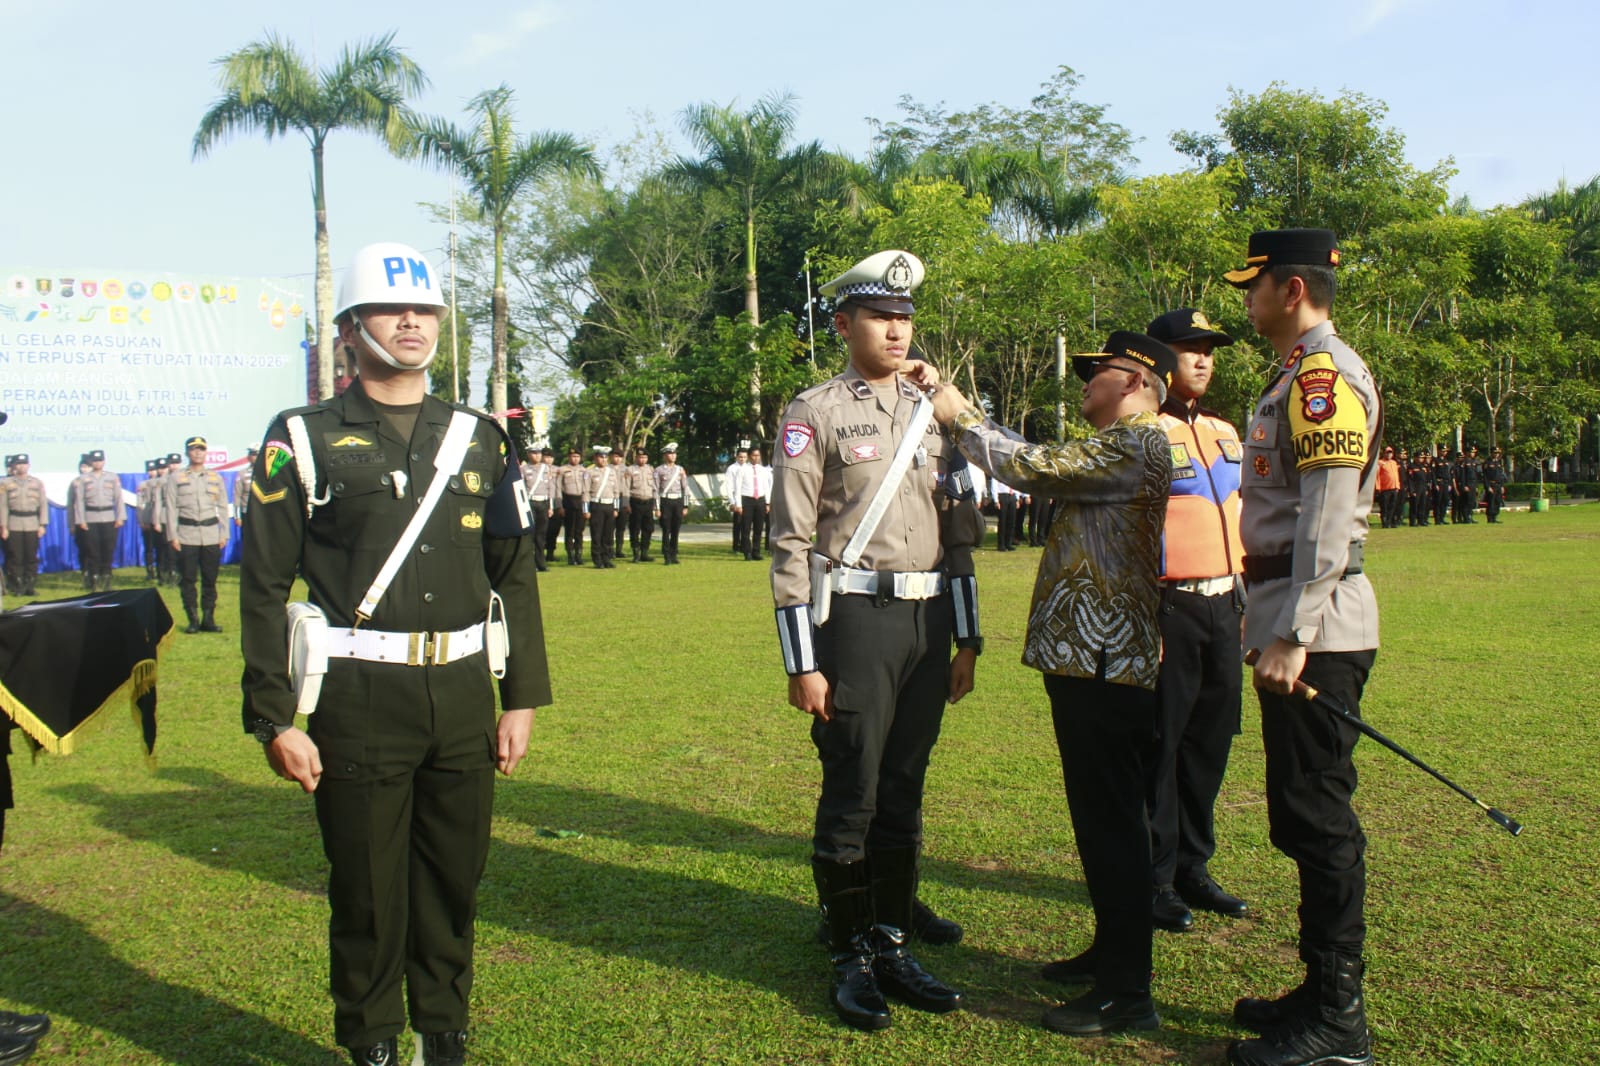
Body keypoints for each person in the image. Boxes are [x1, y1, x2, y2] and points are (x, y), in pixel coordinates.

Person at [239, 241, 552, 1066]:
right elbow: (264, 588)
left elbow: (513, 572)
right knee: (370, 894)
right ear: (349, 329)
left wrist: (519, 697)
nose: (411, 322)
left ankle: (441, 1034)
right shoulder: (300, 438)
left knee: (453, 882)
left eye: (424, 310)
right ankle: (373, 1043)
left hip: (459, 694)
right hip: (356, 697)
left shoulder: (480, 436)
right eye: (389, 308)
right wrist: (275, 718)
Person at [922, 329, 1174, 1039]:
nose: (1085, 385)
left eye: (1097, 375)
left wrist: (957, 410)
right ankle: (1112, 951)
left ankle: (1127, 990)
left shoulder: (1136, 441)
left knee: (1112, 821)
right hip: (1087, 657)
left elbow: (1031, 465)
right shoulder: (1130, 440)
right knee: (1100, 817)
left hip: (1104, 659)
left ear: (1131, 382)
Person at [770, 249, 983, 1032]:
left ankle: (892, 939)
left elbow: (961, 530)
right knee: (854, 787)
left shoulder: (938, 412)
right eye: (880, 317)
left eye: (905, 319)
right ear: (845, 324)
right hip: (854, 623)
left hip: (928, 623)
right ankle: (850, 951)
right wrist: (802, 661)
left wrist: (967, 637)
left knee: (905, 786)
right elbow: (792, 542)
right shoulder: (815, 411)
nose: (896, 331)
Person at [1225, 228, 1380, 1066]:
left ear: (1291, 290)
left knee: (1319, 817)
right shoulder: (1293, 375)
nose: (1244, 299)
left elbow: (1324, 512)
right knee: (1297, 810)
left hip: (1315, 627)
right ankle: (1318, 990)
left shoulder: (1322, 378)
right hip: (1291, 614)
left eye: (1254, 286)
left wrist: (1294, 630)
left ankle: (1339, 1020)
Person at [1142, 308, 1250, 936]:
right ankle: (1154, 876)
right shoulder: (1144, 431)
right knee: (1162, 745)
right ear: (1161, 358)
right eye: (1189, 349)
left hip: (1225, 604)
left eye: (1208, 349)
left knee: (1209, 743)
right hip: (1170, 607)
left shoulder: (1225, 430)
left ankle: (1193, 866)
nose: (1203, 359)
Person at [163, 436, 230, 633]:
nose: (198, 453)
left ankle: (208, 619)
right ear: (187, 453)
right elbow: (171, 509)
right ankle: (193, 620)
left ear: (206, 452)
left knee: (210, 579)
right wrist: (172, 535)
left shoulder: (215, 478)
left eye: (201, 449)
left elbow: (223, 507)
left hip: (210, 535)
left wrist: (224, 533)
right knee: (188, 579)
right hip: (187, 535)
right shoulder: (176, 478)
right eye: (193, 449)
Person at [74, 449, 123, 591]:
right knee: (92, 550)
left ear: (104, 461)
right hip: (91, 518)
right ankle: (94, 579)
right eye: (95, 461)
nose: (98, 463)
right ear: (91, 462)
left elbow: (118, 499)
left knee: (108, 549)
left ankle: (107, 579)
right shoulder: (84, 479)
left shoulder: (112, 477)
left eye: (100, 460)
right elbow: (80, 501)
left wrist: (120, 517)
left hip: (109, 516)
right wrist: (81, 520)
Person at [1, 453, 49, 597]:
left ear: (28, 465)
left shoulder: (37, 482)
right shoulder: (5, 483)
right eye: (19, 464)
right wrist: (3, 526)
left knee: (31, 556)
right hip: (14, 522)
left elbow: (43, 505)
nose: (22, 466)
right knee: (15, 557)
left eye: (24, 464)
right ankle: (17, 586)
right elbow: (2, 506)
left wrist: (42, 524)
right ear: (14, 466)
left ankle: (30, 586)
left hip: (32, 523)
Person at [654, 443, 689, 564]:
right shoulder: (658, 470)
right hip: (665, 501)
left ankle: (674, 554)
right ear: (665, 455)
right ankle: (666, 555)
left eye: (674, 453)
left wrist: (685, 505)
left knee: (676, 529)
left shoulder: (680, 469)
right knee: (666, 529)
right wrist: (657, 508)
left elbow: (685, 488)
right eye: (670, 453)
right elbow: (656, 490)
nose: (673, 456)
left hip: (678, 501)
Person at [585, 445, 620, 569]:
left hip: (609, 505)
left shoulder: (612, 472)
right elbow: (586, 491)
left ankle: (607, 558)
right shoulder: (590, 472)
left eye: (605, 457)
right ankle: (597, 559)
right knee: (597, 533)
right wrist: (586, 509)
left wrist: (616, 508)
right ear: (595, 458)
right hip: (596, 505)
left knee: (608, 534)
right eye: (601, 457)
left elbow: (616, 491)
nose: (604, 460)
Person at [521, 447, 555, 572]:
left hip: (543, 503)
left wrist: (551, 506)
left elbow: (551, 488)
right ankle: (530, 563)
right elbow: (521, 488)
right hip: (530, 502)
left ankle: (541, 563)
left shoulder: (546, 469)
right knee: (530, 535)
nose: (537, 456)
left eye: (539, 453)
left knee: (541, 535)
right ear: (529, 454)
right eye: (534, 453)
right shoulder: (524, 469)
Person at [556, 447, 588, 565]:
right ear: (569, 457)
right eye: (573, 456)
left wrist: (586, 508)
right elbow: (558, 488)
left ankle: (578, 555)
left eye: (577, 457)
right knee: (569, 530)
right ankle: (570, 555)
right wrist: (560, 506)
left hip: (580, 500)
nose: (575, 459)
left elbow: (586, 490)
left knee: (579, 530)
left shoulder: (584, 471)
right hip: (567, 500)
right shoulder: (562, 470)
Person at [625, 447, 656, 562]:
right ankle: (636, 553)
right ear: (636, 457)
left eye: (644, 457)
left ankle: (645, 552)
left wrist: (655, 503)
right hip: (635, 502)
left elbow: (654, 488)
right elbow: (626, 488)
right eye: (640, 457)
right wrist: (626, 504)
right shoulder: (630, 470)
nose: (642, 459)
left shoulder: (651, 470)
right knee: (635, 528)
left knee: (648, 528)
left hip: (648, 502)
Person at [136, 458, 164, 581]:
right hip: (147, 517)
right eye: (150, 470)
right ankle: (149, 570)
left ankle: (161, 570)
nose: (152, 472)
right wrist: (141, 520)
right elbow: (139, 503)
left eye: (154, 470)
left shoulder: (162, 482)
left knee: (160, 546)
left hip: (160, 517)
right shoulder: (143, 485)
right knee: (149, 546)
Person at [726, 444, 750, 554]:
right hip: (736, 498)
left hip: (747, 498)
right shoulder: (732, 469)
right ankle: (736, 546)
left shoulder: (749, 468)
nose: (743, 459)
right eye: (741, 457)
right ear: (736, 457)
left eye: (745, 457)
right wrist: (732, 502)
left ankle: (745, 545)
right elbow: (729, 486)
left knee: (746, 524)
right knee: (738, 524)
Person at [234, 446, 259, 533]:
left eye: (256, 454)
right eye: (251, 454)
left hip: (264, 513)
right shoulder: (242, 473)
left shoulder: (270, 473)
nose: (253, 457)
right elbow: (237, 496)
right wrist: (237, 516)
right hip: (247, 513)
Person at [991, 475, 1019, 551]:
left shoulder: (1011, 472)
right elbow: (994, 485)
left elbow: (1016, 484)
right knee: (1003, 521)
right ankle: (1001, 544)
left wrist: (1017, 498)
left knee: (1011, 521)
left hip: (1012, 495)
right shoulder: (998, 472)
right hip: (1002, 495)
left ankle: (1008, 543)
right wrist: (996, 500)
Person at [1375, 447, 1401, 528]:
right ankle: (1385, 522)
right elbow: (1377, 476)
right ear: (1384, 453)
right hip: (1385, 489)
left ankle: (1390, 522)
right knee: (1384, 507)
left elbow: (1396, 475)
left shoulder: (1394, 463)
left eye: (1390, 453)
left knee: (1392, 506)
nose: (1389, 454)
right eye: (1387, 452)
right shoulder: (1380, 462)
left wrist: (1397, 486)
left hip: (1394, 488)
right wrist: (1378, 487)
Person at [1483, 447, 1508, 522]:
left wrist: (1502, 486)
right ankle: (1490, 518)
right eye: (1495, 453)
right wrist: (1487, 487)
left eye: (1497, 453)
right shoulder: (1487, 463)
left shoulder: (1498, 462)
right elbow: (1485, 476)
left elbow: (1500, 475)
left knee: (1497, 501)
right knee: (1491, 502)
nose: (1497, 454)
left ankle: (1495, 517)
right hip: (1491, 485)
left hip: (1498, 485)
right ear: (1491, 453)